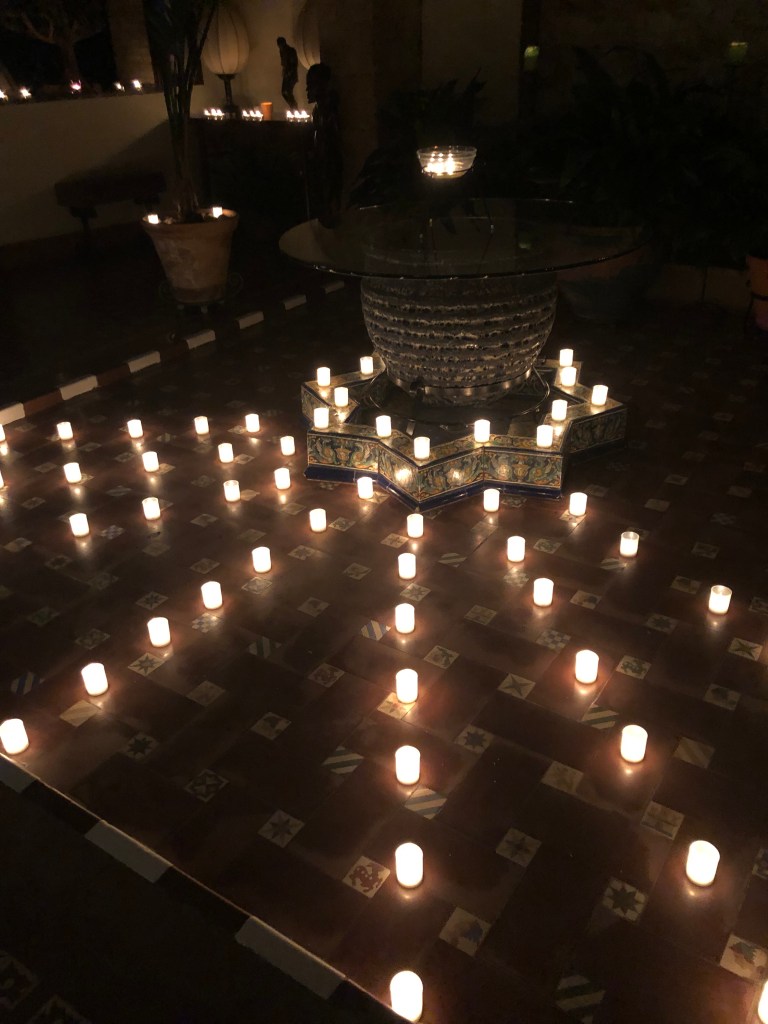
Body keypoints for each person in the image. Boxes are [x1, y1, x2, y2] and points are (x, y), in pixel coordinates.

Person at [306, 62, 343, 226]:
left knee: (329, 194)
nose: (307, 90)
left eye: (311, 85)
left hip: (329, 158)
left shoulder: (329, 109)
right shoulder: (318, 110)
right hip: (321, 159)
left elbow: (331, 135)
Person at [276, 37, 298, 110]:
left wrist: (289, 72)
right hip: (287, 74)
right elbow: (284, 63)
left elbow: (293, 64)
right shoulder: (282, 51)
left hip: (291, 75)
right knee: (284, 92)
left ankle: (294, 107)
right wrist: (284, 71)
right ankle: (293, 106)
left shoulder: (291, 51)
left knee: (288, 92)